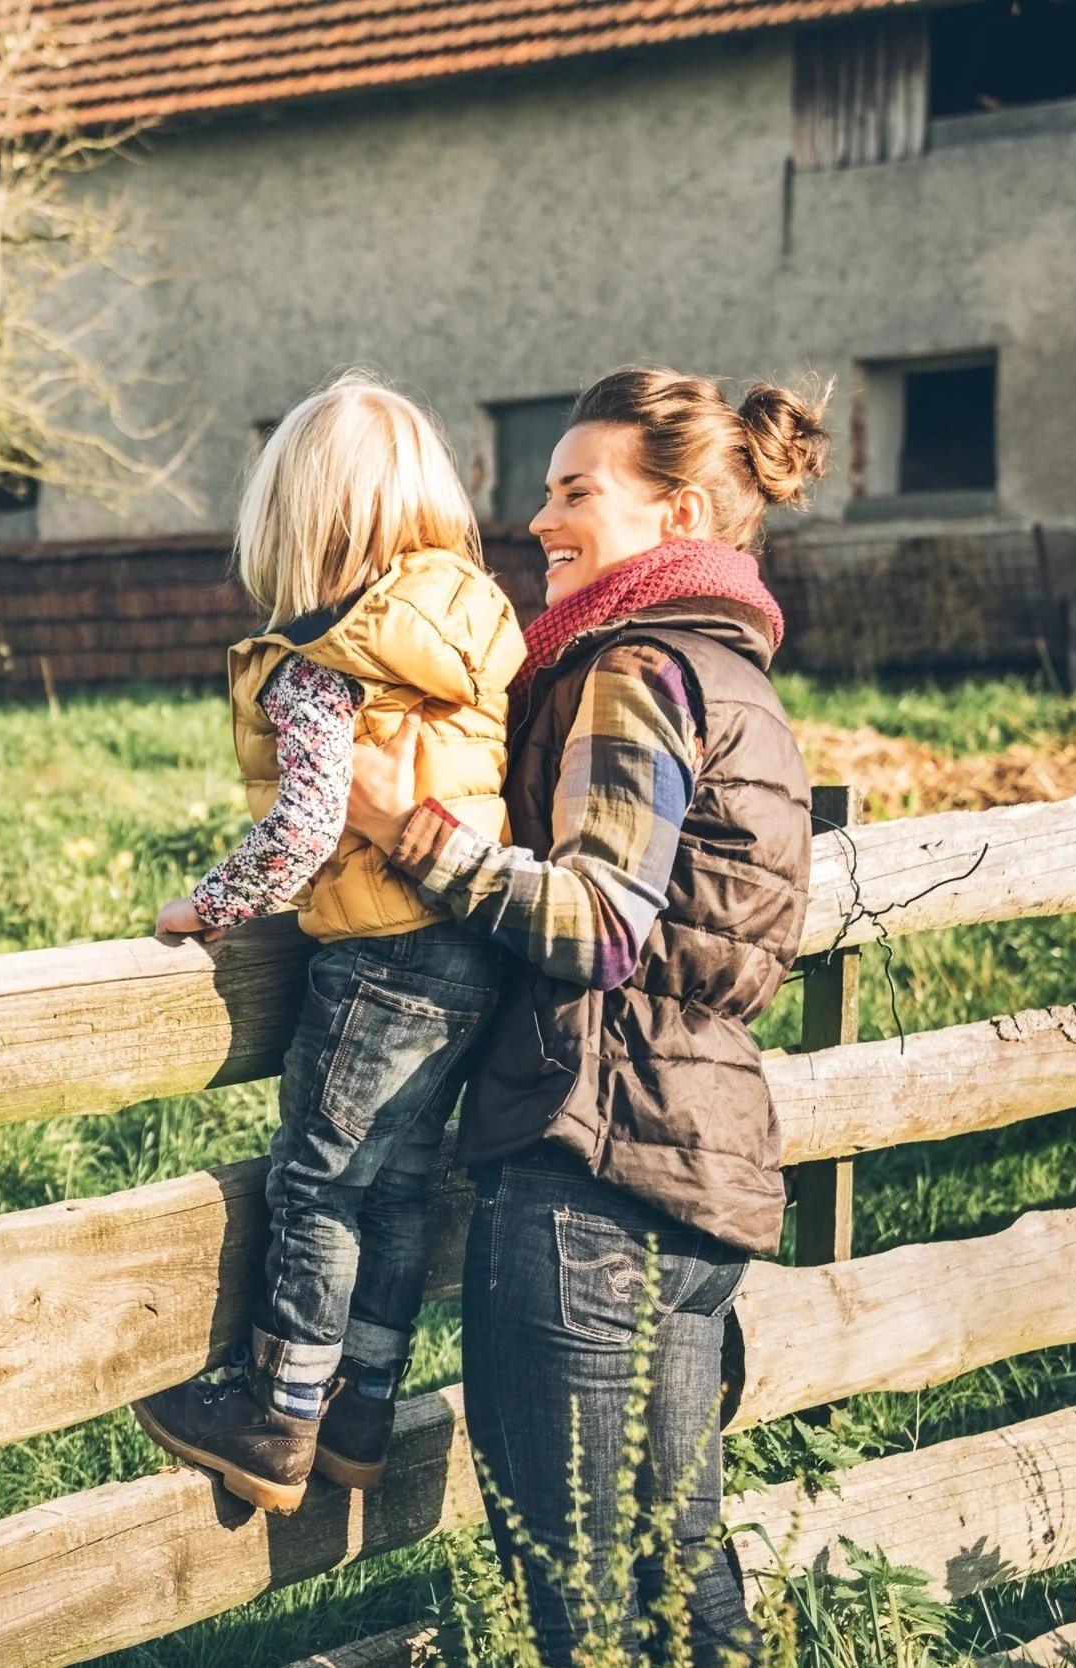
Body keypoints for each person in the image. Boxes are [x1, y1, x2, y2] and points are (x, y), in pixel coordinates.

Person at [344, 366, 827, 1665]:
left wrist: (415, 837)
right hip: (692, 1158)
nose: (539, 518)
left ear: (676, 521)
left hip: (590, 1169)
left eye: (577, 492)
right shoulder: (736, 677)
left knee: (581, 1603)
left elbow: (602, 925)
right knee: (679, 1573)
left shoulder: (638, 667)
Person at [134, 372, 523, 1511]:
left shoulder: (325, 656)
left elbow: (306, 823)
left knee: (317, 1183)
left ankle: (276, 1415)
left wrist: (205, 905)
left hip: (380, 949)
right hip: (472, 943)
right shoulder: (467, 624)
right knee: (397, 1188)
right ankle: (360, 1410)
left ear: (299, 520)